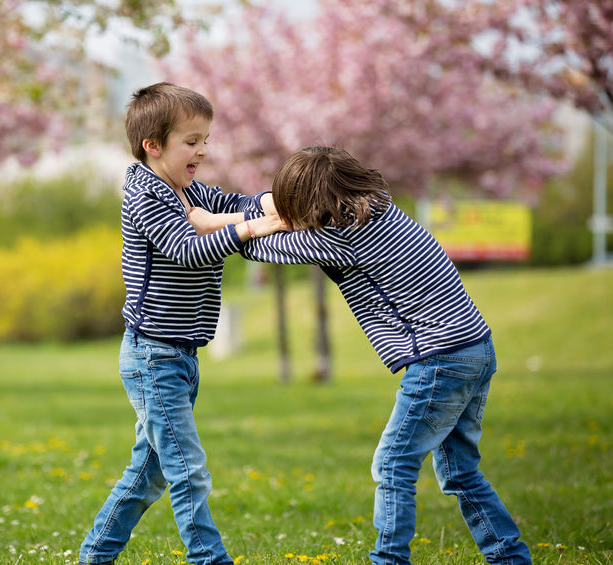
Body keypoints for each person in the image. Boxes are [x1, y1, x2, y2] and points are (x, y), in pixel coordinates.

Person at [190, 145, 532, 565]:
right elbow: (276, 214)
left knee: (392, 465)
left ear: (314, 207)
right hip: (475, 348)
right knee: (460, 471)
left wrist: (204, 222)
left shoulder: (342, 239)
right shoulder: (381, 207)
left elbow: (255, 247)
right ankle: (510, 557)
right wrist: (244, 204)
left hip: (439, 359)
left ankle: (388, 560)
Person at [78, 82, 284, 565]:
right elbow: (189, 251)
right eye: (191, 141)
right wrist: (249, 230)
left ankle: (94, 555)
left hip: (179, 355)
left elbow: (234, 204)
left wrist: (276, 203)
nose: (203, 150)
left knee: (148, 472)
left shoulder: (184, 188)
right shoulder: (146, 195)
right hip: (153, 354)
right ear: (154, 145)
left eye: (205, 139)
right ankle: (209, 559)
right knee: (187, 470)